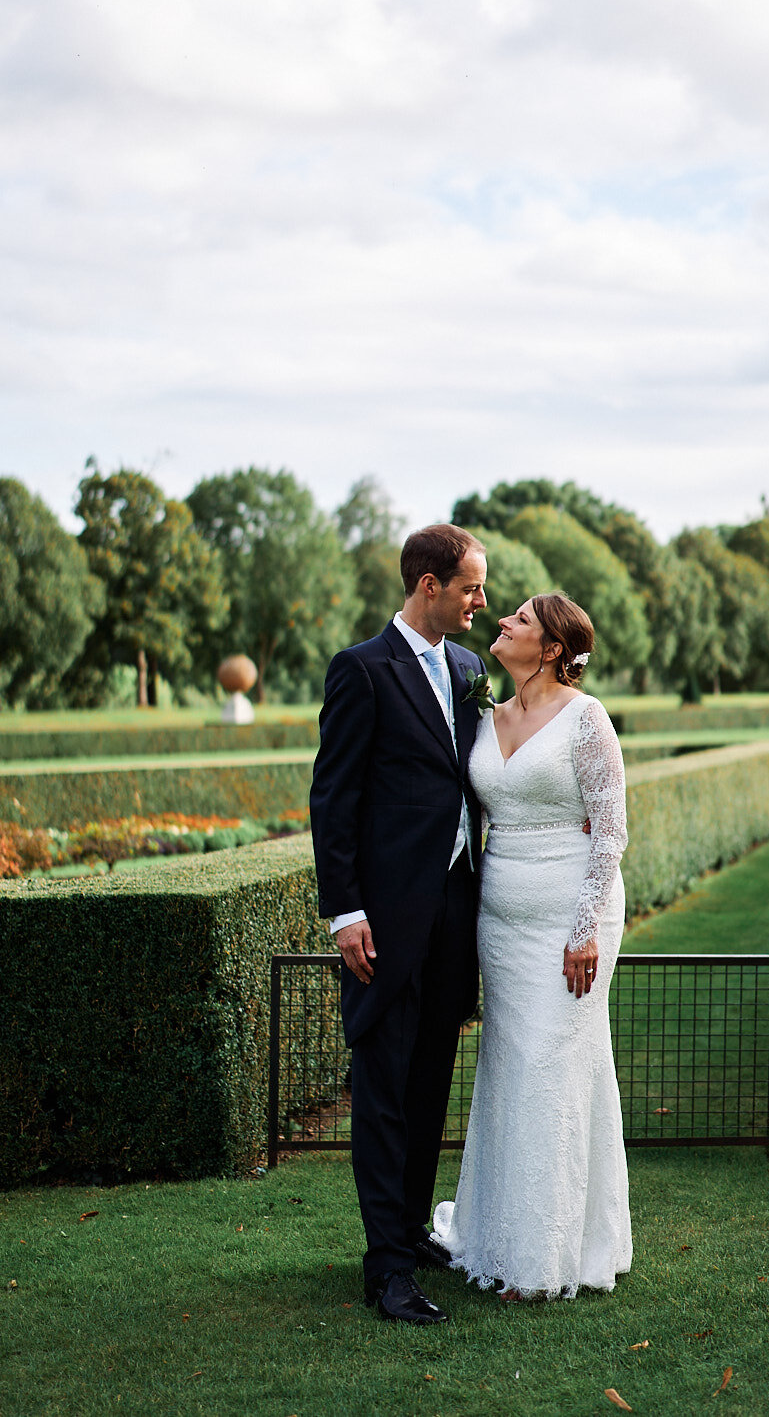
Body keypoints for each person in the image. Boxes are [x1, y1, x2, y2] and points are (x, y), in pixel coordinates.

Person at [309, 523, 488, 1325]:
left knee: (428, 1085)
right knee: (381, 1090)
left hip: (457, 912)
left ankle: (410, 1232)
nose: (481, 601)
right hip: (382, 921)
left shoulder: (470, 667)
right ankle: (386, 1271)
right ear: (429, 586)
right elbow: (333, 799)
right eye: (471, 587)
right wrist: (346, 910)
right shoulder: (362, 670)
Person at [433, 592, 632, 1300]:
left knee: (554, 1067)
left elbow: (609, 831)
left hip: (573, 921)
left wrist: (583, 931)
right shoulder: (485, 717)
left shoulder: (586, 719)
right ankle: (501, 1234)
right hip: (502, 921)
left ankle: (545, 1261)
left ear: (550, 648)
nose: (503, 623)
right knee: (512, 1067)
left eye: (518, 619)